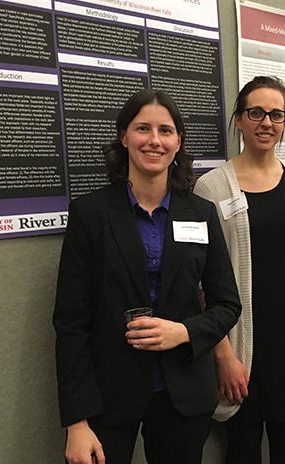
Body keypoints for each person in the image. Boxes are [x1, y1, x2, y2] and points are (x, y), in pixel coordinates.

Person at [53, 89, 241, 464]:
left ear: (178, 142)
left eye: (165, 131)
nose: (154, 140)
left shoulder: (200, 213)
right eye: (143, 128)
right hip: (108, 396)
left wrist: (184, 332)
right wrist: (76, 421)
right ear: (124, 137)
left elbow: (227, 304)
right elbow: (70, 323)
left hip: (184, 393)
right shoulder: (91, 214)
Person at [194, 76, 285, 464]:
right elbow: (202, 281)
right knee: (243, 444)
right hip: (240, 345)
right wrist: (222, 355)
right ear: (239, 119)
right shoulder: (211, 187)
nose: (266, 122)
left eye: (276, 114)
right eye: (256, 112)